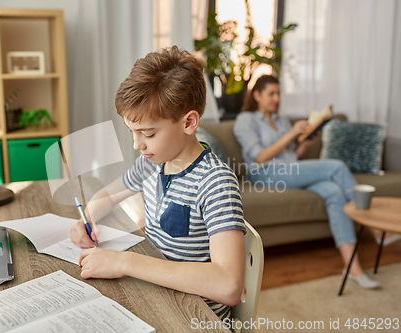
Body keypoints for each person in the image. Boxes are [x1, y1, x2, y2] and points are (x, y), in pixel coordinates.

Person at [69, 46, 246, 320]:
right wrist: (87, 220)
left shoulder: (216, 182)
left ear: (188, 122)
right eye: (132, 132)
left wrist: (125, 262)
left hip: (192, 317)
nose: (137, 144)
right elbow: (108, 194)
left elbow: (229, 285)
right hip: (156, 296)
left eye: (147, 133)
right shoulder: (152, 162)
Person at [233, 74, 394, 289]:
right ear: (257, 95)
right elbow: (260, 157)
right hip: (265, 174)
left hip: (289, 170)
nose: (276, 98)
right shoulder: (246, 119)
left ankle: (352, 267)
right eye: (271, 93)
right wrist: (291, 133)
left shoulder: (280, 119)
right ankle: (375, 227)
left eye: (278, 93)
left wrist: (305, 144)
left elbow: (291, 156)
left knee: (334, 192)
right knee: (336, 166)